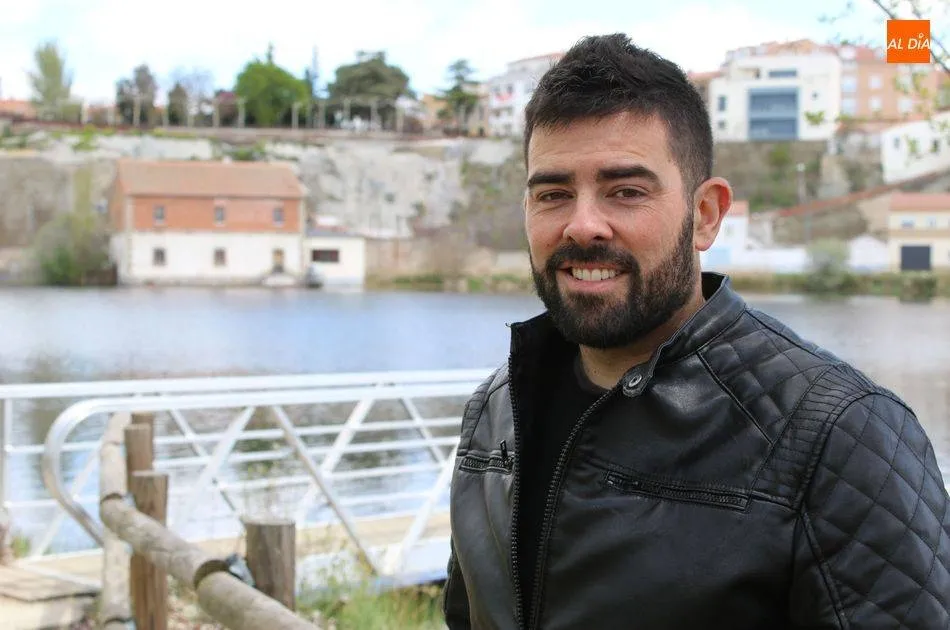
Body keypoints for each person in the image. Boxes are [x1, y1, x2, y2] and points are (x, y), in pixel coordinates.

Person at [442, 33, 950, 630]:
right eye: (553, 194)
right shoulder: (498, 409)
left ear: (705, 215)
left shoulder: (839, 434)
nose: (583, 225)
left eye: (626, 191)